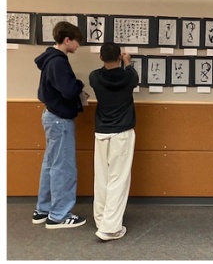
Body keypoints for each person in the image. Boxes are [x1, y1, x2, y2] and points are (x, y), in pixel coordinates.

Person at [33, 21, 88, 229]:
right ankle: (59, 215)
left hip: (51, 115)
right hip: (59, 120)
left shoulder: (50, 59)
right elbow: (68, 90)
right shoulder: (58, 62)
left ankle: (43, 209)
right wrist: (79, 86)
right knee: (63, 168)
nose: (78, 46)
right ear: (67, 40)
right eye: (76, 42)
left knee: (50, 165)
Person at [89, 42, 139, 240]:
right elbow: (131, 75)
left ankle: (101, 219)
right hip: (123, 133)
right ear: (119, 56)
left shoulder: (94, 77)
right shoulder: (129, 76)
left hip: (101, 132)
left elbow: (105, 74)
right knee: (119, 179)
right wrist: (128, 62)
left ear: (101, 57)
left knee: (101, 177)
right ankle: (110, 228)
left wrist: (120, 61)